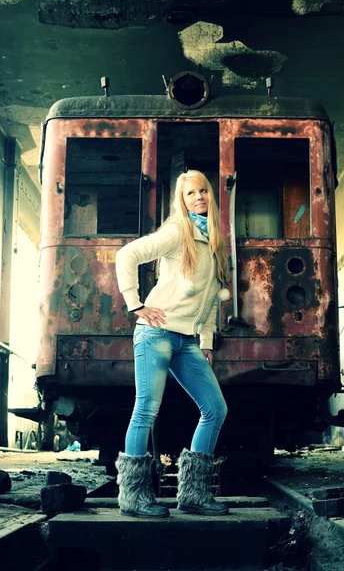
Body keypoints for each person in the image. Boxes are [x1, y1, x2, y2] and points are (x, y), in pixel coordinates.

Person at [115, 170, 230, 518]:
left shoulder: (212, 240)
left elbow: (212, 297)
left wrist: (206, 341)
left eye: (203, 191)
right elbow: (127, 255)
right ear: (181, 200)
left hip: (186, 340)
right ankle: (134, 497)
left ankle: (194, 494)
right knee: (146, 409)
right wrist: (135, 303)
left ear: (210, 195)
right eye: (191, 193)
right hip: (156, 333)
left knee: (215, 409)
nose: (198, 197)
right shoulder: (177, 232)